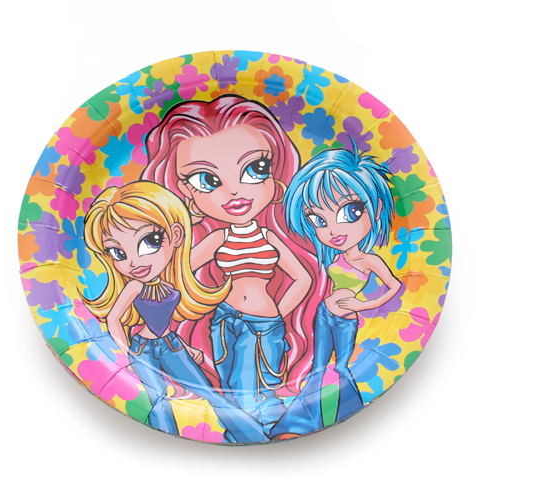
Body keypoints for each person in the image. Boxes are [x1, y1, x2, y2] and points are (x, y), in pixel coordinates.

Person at [141, 95, 319, 438]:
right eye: (205, 180)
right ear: (186, 192)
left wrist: (276, 315)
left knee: (259, 392)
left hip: (264, 324)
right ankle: (250, 437)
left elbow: (303, 278)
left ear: (275, 173)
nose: (234, 191)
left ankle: (265, 436)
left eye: (256, 169)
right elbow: (179, 270)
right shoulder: (218, 238)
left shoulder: (269, 237)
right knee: (232, 390)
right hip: (224, 321)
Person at [81, 181, 268, 443]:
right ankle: (164, 444)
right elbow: (113, 319)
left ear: (176, 235)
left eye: (149, 241)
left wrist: (186, 348)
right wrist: (128, 353)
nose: (133, 261)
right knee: (158, 399)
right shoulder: (134, 286)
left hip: (171, 344)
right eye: (117, 252)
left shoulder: (172, 282)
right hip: (142, 348)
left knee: (209, 392)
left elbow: (165, 325)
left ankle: (254, 435)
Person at [270, 144, 401, 438]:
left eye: (350, 212)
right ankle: (295, 424)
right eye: (318, 220)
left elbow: (394, 285)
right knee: (318, 369)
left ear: (376, 210)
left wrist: (363, 305)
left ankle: (348, 414)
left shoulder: (369, 260)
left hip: (345, 319)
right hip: (324, 313)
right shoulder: (334, 255)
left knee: (341, 369)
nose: (332, 230)